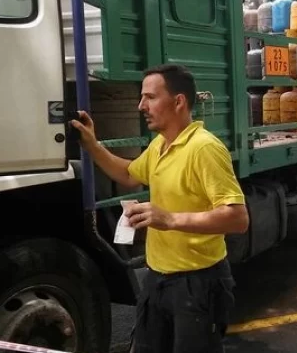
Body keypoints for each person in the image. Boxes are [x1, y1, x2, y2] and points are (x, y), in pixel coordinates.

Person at [71, 64, 250, 352]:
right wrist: (93, 146)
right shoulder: (160, 145)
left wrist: (170, 219)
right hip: (157, 280)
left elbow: (237, 218)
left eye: (150, 97)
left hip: (198, 284)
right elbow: (129, 174)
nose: (141, 105)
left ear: (178, 101)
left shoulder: (204, 149)